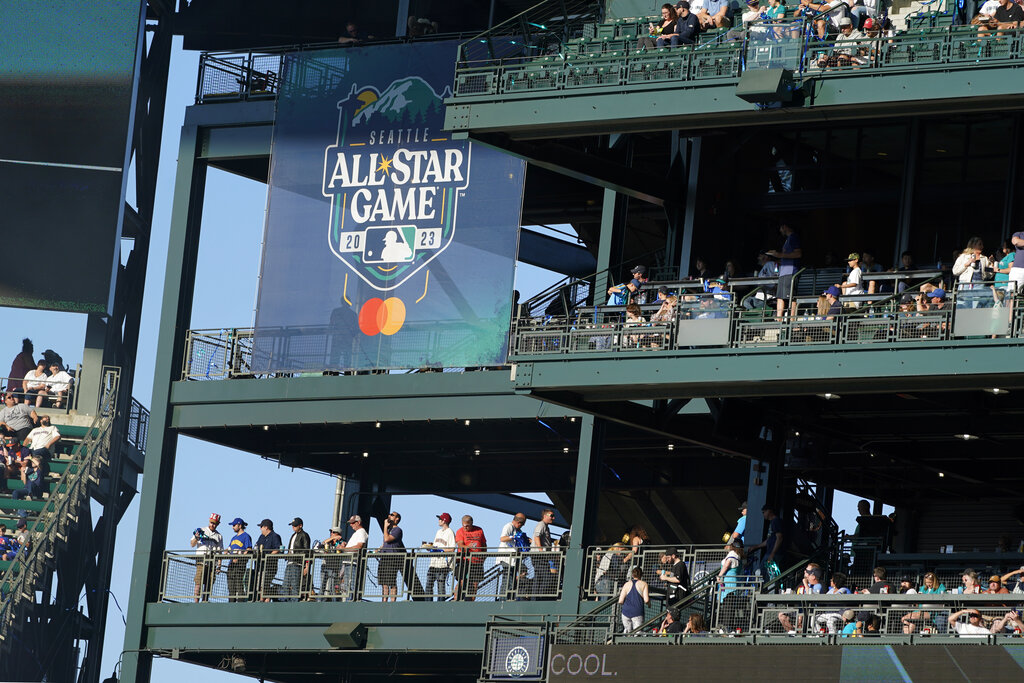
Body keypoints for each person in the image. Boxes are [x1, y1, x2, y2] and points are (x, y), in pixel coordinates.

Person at [767, 223, 801, 319]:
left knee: (791, 296)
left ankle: (792, 320)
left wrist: (779, 255)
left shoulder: (793, 237)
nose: (780, 230)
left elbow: (798, 254)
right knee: (780, 296)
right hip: (784, 271)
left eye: (781, 228)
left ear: (785, 227)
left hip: (790, 271)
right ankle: (779, 319)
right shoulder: (788, 239)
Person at [190, 513, 224, 602]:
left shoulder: (219, 536)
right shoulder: (201, 530)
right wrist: (197, 538)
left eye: (214, 523)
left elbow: (220, 552)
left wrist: (219, 565)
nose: (212, 525)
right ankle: (196, 602)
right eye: (211, 522)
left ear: (218, 524)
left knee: (209, 583)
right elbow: (192, 544)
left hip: (212, 563)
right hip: (201, 561)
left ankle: (204, 601)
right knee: (198, 582)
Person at [497, 513, 528, 599]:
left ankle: (509, 598)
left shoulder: (518, 530)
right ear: (518, 522)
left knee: (512, 580)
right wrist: (514, 536)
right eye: (522, 524)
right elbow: (502, 538)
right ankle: (503, 599)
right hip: (506, 558)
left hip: (514, 559)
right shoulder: (509, 526)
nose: (522, 526)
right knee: (508, 580)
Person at [747, 504, 784, 578]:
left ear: (769, 511)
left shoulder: (775, 521)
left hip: (773, 553)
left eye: (764, 512)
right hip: (770, 552)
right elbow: (769, 540)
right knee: (764, 572)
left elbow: (779, 538)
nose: (763, 514)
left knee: (767, 573)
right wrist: (755, 547)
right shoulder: (773, 522)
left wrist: (772, 554)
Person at [952, 237, 991, 306]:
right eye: (980, 244)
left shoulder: (984, 258)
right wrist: (966, 264)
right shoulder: (963, 257)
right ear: (973, 245)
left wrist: (992, 266)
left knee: (976, 305)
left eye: (982, 244)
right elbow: (955, 271)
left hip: (979, 284)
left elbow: (988, 275)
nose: (982, 247)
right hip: (966, 283)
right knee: (963, 305)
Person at [455, 514, 487, 600]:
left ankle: (471, 602)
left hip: (477, 561)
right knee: (461, 581)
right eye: (463, 525)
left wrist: (484, 556)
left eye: (467, 525)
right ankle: (456, 600)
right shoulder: (460, 531)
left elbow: (484, 545)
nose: (465, 527)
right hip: (464, 561)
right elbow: (460, 545)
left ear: (471, 523)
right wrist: (469, 547)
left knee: (475, 584)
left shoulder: (479, 530)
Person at [427, 512, 456, 601]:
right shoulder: (438, 532)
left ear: (444, 521)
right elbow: (436, 546)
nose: (439, 520)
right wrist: (431, 548)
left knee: (440, 586)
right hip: (433, 563)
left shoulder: (450, 532)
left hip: (443, 564)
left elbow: (452, 549)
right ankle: (427, 604)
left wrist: (441, 550)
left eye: (440, 519)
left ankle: (440, 605)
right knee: (428, 585)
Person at [339, 515, 368, 601]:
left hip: (352, 563)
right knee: (347, 584)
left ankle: (352, 600)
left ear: (358, 522)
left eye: (352, 523)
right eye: (350, 523)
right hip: (348, 562)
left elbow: (359, 546)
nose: (351, 525)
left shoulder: (362, 532)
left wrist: (344, 548)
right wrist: (345, 545)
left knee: (351, 584)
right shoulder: (357, 533)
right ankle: (350, 600)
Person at [378, 511, 405, 602]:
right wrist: (379, 550)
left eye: (392, 515)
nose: (390, 516)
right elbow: (384, 543)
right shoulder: (388, 530)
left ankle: (392, 601)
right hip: (384, 558)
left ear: (397, 519)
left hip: (392, 558)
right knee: (384, 583)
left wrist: (385, 526)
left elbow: (387, 539)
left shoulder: (397, 530)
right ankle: (384, 600)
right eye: (390, 514)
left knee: (391, 581)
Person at [531, 509, 558, 598]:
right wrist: (540, 550)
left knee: (538, 577)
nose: (553, 518)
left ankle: (535, 597)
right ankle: (540, 596)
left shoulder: (546, 526)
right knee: (546, 576)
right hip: (539, 556)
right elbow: (537, 536)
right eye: (551, 516)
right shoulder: (541, 524)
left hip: (542, 556)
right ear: (545, 516)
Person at [254, 518, 283, 602]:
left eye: (261, 527)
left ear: (266, 527)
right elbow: (256, 547)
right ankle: (263, 599)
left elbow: (278, 549)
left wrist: (268, 556)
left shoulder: (275, 536)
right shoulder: (261, 537)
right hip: (260, 566)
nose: (260, 529)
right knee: (259, 584)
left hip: (270, 566)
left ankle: (265, 599)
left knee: (264, 583)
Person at [283, 517, 310, 601]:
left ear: (300, 526)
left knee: (295, 585)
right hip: (290, 563)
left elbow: (307, 551)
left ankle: (294, 602)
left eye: (295, 526)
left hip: (297, 563)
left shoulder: (304, 535)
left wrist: (306, 565)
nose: (293, 527)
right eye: (292, 526)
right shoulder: (293, 535)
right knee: (285, 584)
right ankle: (286, 602)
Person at [226, 517, 252, 602]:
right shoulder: (233, 538)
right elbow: (229, 548)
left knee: (239, 585)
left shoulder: (246, 536)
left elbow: (248, 549)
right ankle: (231, 604)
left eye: (234, 525)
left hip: (240, 565)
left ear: (239, 525)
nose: (233, 527)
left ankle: (240, 605)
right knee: (231, 587)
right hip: (231, 565)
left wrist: (240, 559)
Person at [618, 566, 650, 632]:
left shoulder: (626, 584)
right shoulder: (644, 584)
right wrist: (649, 604)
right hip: (637, 612)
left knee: (628, 632)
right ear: (641, 575)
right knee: (637, 633)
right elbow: (646, 600)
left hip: (625, 612)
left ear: (632, 575)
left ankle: (626, 633)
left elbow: (620, 601)